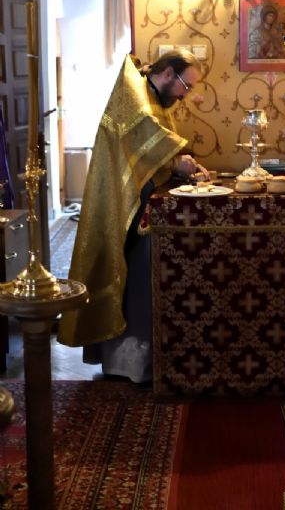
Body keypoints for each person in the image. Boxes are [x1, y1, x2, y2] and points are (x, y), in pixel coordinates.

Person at [58, 49, 209, 382]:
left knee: (144, 276)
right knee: (135, 276)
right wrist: (177, 163)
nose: (185, 95)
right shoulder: (135, 93)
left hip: (142, 199)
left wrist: (181, 165)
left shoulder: (154, 96)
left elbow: (156, 149)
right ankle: (128, 363)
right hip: (124, 201)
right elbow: (145, 137)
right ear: (168, 74)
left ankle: (146, 360)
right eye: (186, 85)